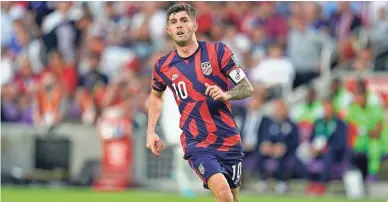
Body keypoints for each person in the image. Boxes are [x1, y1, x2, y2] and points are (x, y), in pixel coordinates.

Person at [146, 3, 254, 202]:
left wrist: (226, 94)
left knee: (232, 198)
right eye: (173, 22)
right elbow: (156, 97)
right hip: (197, 142)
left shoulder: (218, 52)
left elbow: (247, 87)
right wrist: (150, 130)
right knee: (224, 195)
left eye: (184, 20)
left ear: (195, 25)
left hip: (229, 140)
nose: (179, 26)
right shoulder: (163, 66)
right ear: (168, 30)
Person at [254, 99, 299, 194]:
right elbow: (262, 136)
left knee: (281, 154)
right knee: (259, 152)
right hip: (270, 149)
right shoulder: (268, 122)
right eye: (276, 109)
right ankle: (262, 180)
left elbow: (295, 142)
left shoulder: (291, 124)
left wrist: (285, 147)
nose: (277, 112)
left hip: (285, 151)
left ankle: (282, 182)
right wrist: (265, 144)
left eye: (280, 109)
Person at [304, 99, 347, 195]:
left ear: (333, 109)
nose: (326, 111)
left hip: (333, 152)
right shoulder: (318, 122)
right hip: (316, 151)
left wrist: (326, 147)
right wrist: (312, 147)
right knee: (299, 155)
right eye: (325, 108)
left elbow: (340, 143)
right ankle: (310, 182)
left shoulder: (340, 124)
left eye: (328, 108)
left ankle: (322, 184)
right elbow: (311, 138)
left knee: (328, 155)